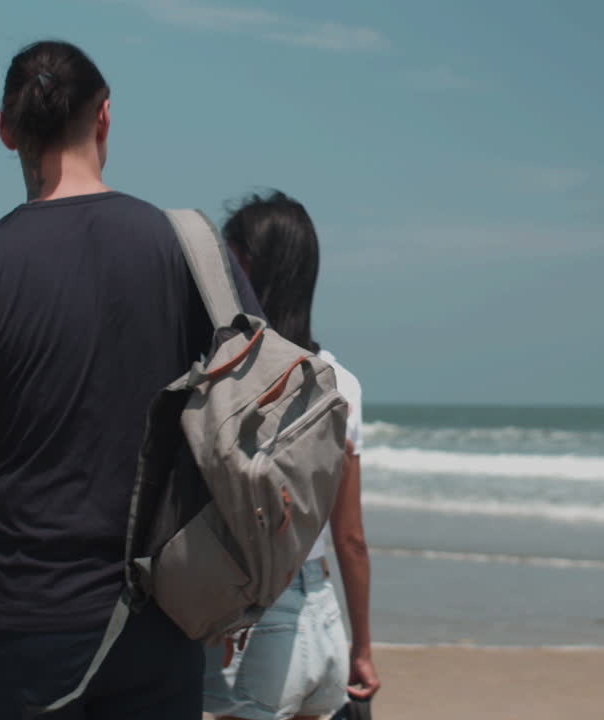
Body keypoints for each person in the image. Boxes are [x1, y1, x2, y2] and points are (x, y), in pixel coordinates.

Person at [0, 40, 260, 720]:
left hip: (20, 629)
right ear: (105, 118)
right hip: (161, 620)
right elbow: (257, 426)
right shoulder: (193, 252)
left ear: (7, 129)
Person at [202, 191, 381, 720]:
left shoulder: (231, 379)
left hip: (256, 626)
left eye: (231, 261)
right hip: (323, 619)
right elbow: (351, 539)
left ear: (254, 268)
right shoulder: (341, 382)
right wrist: (362, 650)